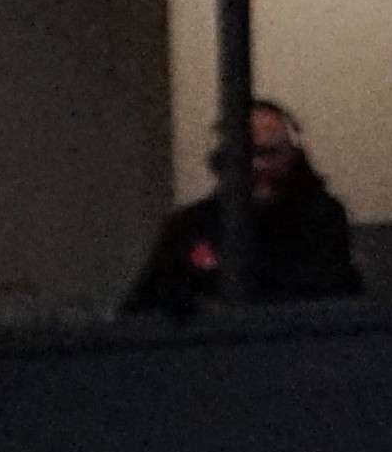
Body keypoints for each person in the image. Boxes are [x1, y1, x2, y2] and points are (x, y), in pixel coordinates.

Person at [121, 97, 364, 316]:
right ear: (221, 159)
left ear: (294, 157)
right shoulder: (190, 226)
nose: (258, 165)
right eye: (246, 154)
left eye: (270, 154)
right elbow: (142, 309)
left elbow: (330, 299)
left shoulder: (321, 219)